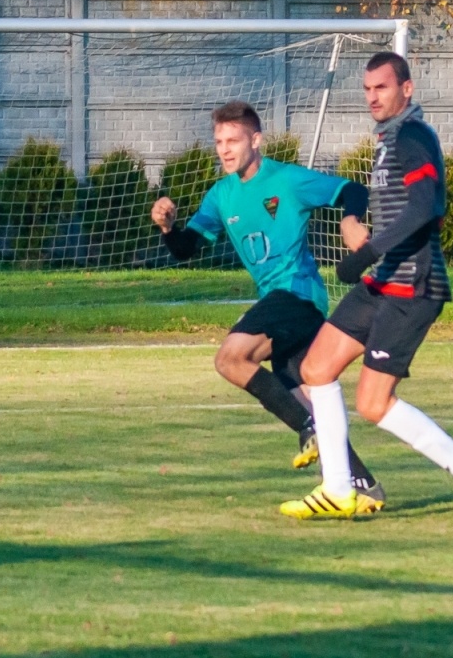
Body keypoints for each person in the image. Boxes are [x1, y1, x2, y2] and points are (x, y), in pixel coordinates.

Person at [283, 53, 453, 522]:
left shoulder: (413, 136)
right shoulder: (387, 140)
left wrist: (366, 250)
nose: (373, 97)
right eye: (367, 89)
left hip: (413, 287)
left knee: (373, 403)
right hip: (381, 284)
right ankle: (338, 489)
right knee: (316, 368)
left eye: (381, 87)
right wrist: (357, 229)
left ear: (406, 89)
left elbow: (424, 206)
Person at [152, 101, 384, 511]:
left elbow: (352, 189)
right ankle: (361, 484)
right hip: (279, 303)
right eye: (219, 142)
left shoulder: (286, 179)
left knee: (230, 359)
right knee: (303, 392)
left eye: (233, 141)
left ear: (255, 140)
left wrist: (349, 220)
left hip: (297, 295)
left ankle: (309, 430)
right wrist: (168, 227)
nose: (224, 150)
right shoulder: (222, 195)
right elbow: (187, 249)